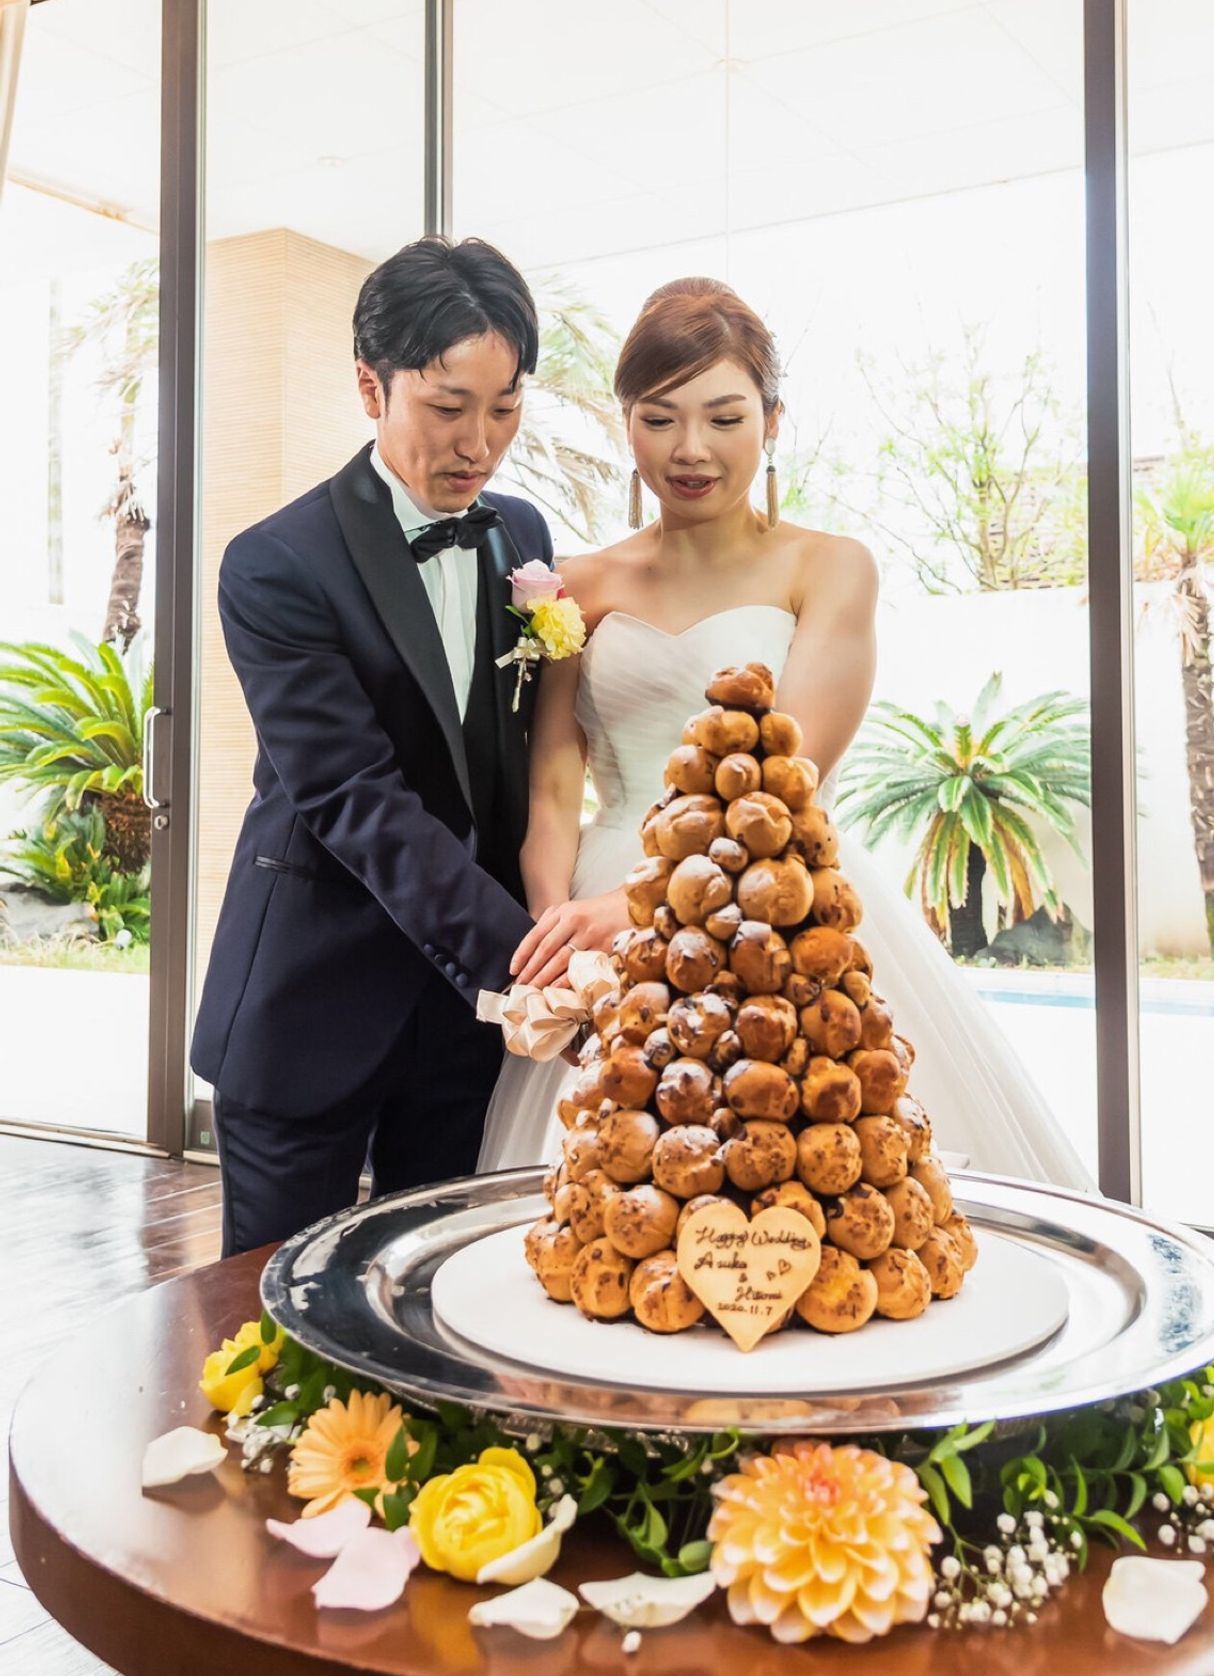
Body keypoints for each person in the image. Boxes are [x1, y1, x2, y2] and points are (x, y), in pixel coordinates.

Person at [477, 276, 1093, 1191]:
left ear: (772, 420)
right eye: (659, 418)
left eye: (724, 418)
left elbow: (783, 781)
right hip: (599, 910)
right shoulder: (577, 584)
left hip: (773, 896)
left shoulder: (829, 568)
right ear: (626, 423)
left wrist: (639, 912)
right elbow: (553, 787)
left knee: (807, 1165)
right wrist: (555, 933)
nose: (691, 449)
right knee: (615, 1183)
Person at [192, 236, 553, 1255]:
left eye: (504, 407)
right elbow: (355, 795)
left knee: (430, 1296)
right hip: (311, 1007)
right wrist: (528, 959)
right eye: (447, 407)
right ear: (369, 386)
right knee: (273, 1315)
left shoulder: (523, 536)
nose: (478, 444)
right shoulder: (276, 562)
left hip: (464, 1027)